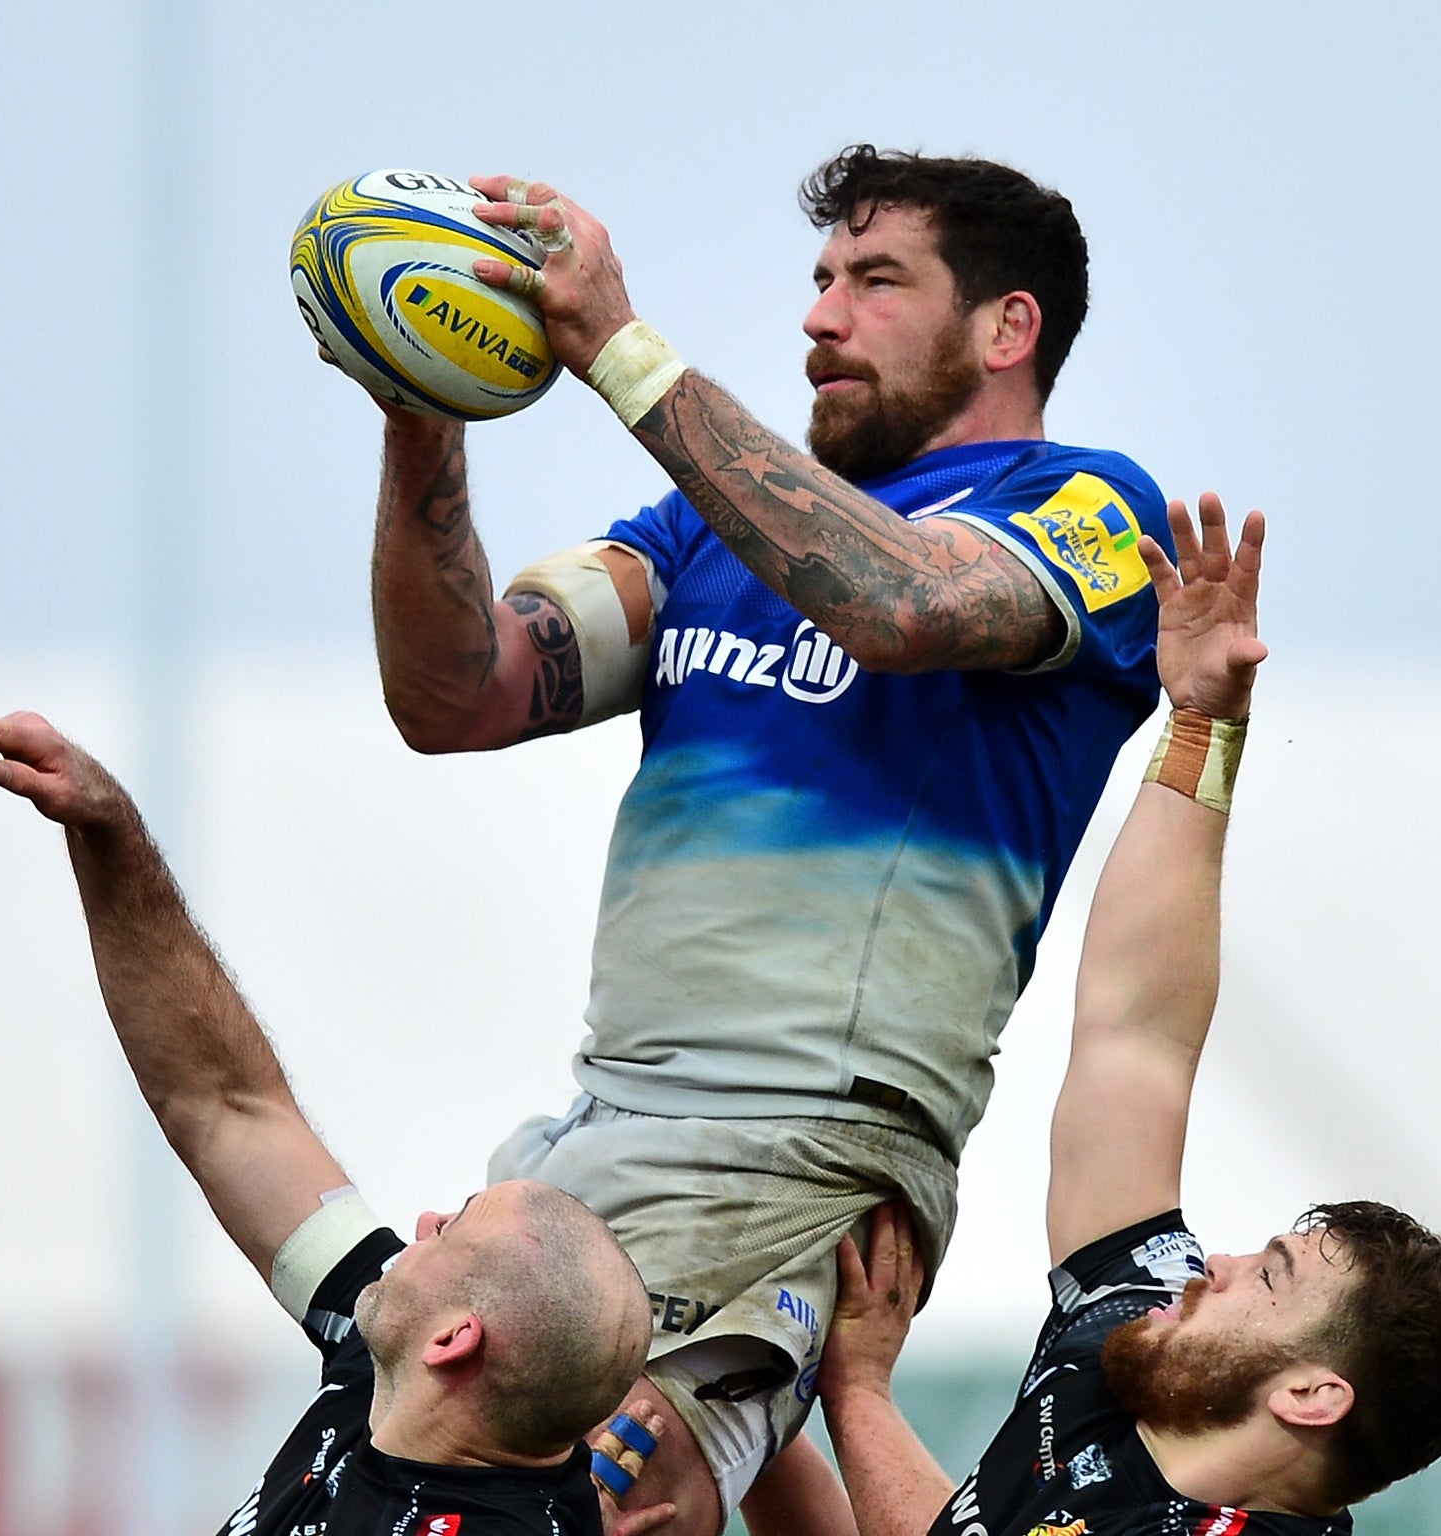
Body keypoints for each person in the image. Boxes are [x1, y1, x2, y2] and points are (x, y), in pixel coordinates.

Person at [342, 145, 1176, 1533]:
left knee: (597, 1504)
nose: (819, 317)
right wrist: (421, 411)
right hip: (586, 1138)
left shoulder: (1088, 508)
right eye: (819, 279)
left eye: (875, 280)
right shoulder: (700, 526)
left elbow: (902, 607)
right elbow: (458, 691)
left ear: (1006, 326)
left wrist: (617, 350)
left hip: (797, 1158)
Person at [813, 497, 1441, 1536]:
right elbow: (1133, 1039)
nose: (1213, 1263)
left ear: (1309, 1397)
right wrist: (1199, 726)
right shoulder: (1133, 1341)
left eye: (1264, 1278)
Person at [0, 715, 671, 1536]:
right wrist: (108, 830)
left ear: (455, 1338)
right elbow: (228, 1106)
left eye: (449, 1231)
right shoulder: (388, 1367)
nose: (417, 1224)